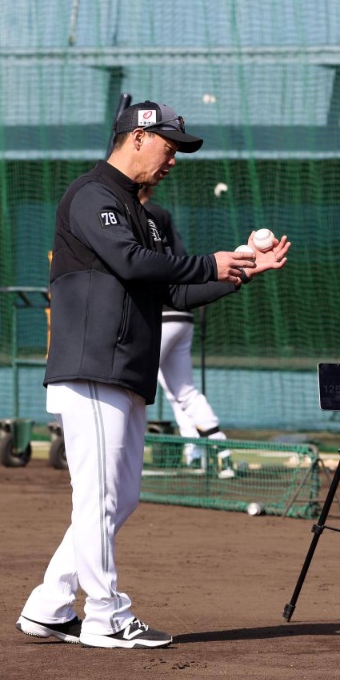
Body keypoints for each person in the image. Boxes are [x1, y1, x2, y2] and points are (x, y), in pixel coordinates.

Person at [16, 101, 290, 650]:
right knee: (97, 498)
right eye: (168, 146)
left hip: (127, 368)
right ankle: (105, 615)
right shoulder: (93, 194)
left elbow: (172, 290)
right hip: (92, 364)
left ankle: (49, 606)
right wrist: (210, 261)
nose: (173, 159)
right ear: (137, 137)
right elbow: (132, 263)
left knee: (121, 498)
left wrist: (237, 271)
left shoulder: (142, 213)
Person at [139, 184, 235, 479]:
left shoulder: (135, 213)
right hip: (183, 314)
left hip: (161, 311)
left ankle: (127, 453)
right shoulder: (161, 214)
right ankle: (217, 453)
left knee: (132, 384)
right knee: (182, 390)